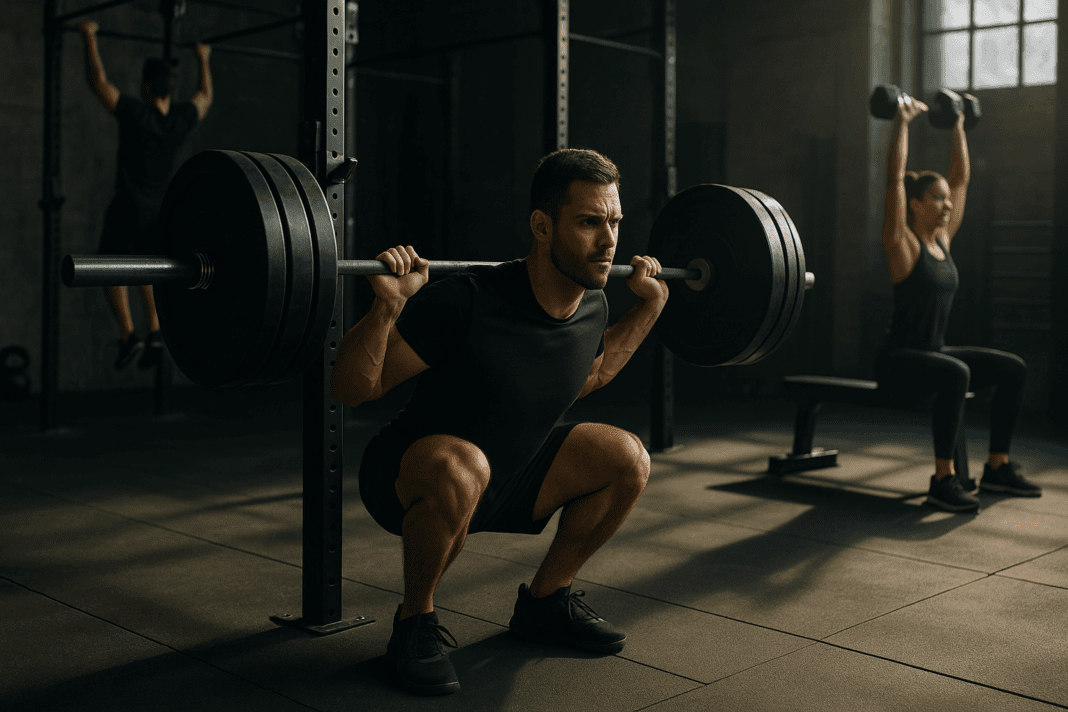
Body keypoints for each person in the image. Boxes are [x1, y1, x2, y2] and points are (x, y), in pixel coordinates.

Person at [331, 149, 668, 696]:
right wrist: (385, 309)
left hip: (509, 475)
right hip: (415, 473)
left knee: (626, 456)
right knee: (461, 463)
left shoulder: (593, 304)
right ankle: (415, 623)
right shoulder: (464, 300)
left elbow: (591, 372)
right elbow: (354, 389)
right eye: (588, 223)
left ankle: (545, 601)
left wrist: (650, 308)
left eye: (614, 222)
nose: (609, 242)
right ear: (542, 225)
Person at [875, 91, 1041, 513]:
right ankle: (943, 479)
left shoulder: (943, 241)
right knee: (956, 372)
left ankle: (998, 466)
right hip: (899, 360)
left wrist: (959, 126)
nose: (948, 203)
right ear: (915, 205)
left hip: (932, 354)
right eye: (937, 198)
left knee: (1012, 368)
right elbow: (894, 178)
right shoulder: (903, 246)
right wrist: (902, 121)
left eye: (947, 199)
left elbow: (962, 179)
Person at [78, 21, 213, 370]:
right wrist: (203, 59)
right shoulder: (180, 119)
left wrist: (90, 36)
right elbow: (204, 97)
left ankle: (129, 333)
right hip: (158, 211)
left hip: (128, 204)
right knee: (148, 268)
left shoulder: (136, 113)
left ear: (144, 86)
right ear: (170, 88)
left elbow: (99, 84)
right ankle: (154, 329)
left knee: (111, 267)